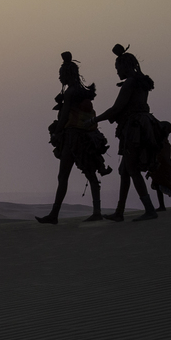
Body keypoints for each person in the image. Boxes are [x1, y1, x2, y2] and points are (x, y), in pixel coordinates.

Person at [36, 52, 113, 225]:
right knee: (90, 173)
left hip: (72, 137)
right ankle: (96, 211)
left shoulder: (71, 92)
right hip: (85, 137)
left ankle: (55, 215)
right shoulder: (83, 91)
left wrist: (56, 132)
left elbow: (64, 117)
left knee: (63, 176)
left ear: (66, 74)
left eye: (61, 74)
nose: (59, 77)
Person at [89, 44, 162, 222]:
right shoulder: (141, 82)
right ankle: (119, 211)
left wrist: (93, 120)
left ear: (124, 66)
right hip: (143, 125)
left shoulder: (130, 83)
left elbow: (116, 108)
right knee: (125, 171)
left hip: (134, 129)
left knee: (132, 169)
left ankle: (150, 209)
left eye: (117, 68)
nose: (116, 72)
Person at [147, 121, 171, 211]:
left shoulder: (162, 144)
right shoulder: (164, 143)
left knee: (161, 186)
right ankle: (162, 205)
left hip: (162, 167)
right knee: (158, 185)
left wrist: (152, 168)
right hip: (161, 166)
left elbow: (161, 156)